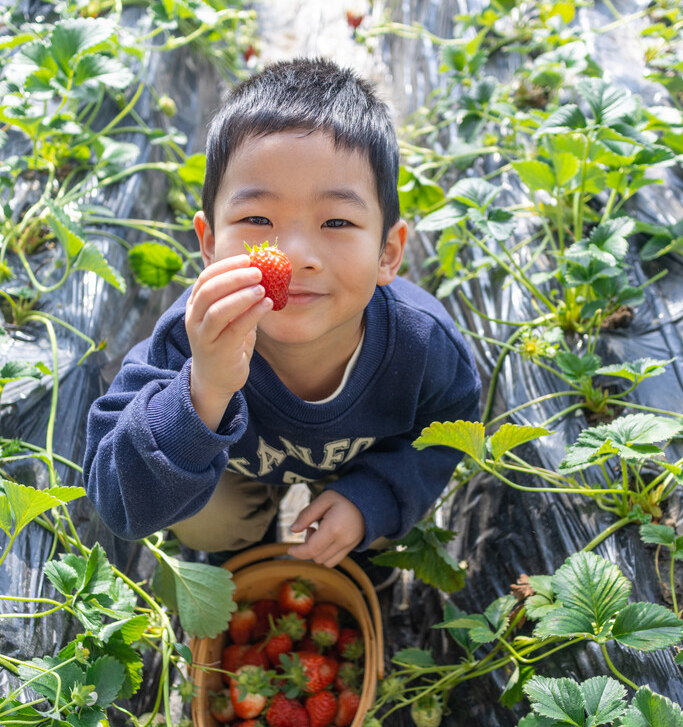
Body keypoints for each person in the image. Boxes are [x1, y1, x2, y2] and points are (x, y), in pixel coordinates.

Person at [83, 58, 481, 569]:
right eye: (256, 218)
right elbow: (120, 505)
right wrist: (203, 388)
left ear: (388, 252)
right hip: (237, 471)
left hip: (359, 466)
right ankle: (241, 547)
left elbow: (449, 432)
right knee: (207, 518)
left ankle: (354, 531)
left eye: (336, 220)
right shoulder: (187, 340)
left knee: (381, 530)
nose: (291, 255)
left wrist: (375, 499)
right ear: (208, 244)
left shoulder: (422, 347)